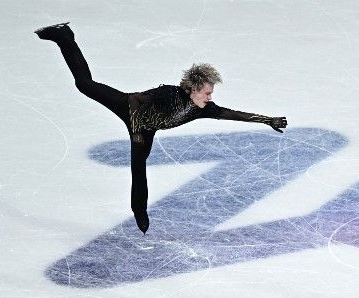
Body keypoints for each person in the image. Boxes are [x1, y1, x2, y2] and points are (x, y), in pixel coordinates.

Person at [35, 23, 288, 233]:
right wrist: (136, 131)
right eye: (207, 92)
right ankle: (64, 36)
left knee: (139, 166)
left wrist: (268, 120)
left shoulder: (202, 108)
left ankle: (139, 212)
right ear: (193, 89)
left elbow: (232, 114)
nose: (210, 97)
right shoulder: (169, 94)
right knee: (84, 84)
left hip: (148, 128)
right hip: (129, 108)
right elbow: (136, 101)